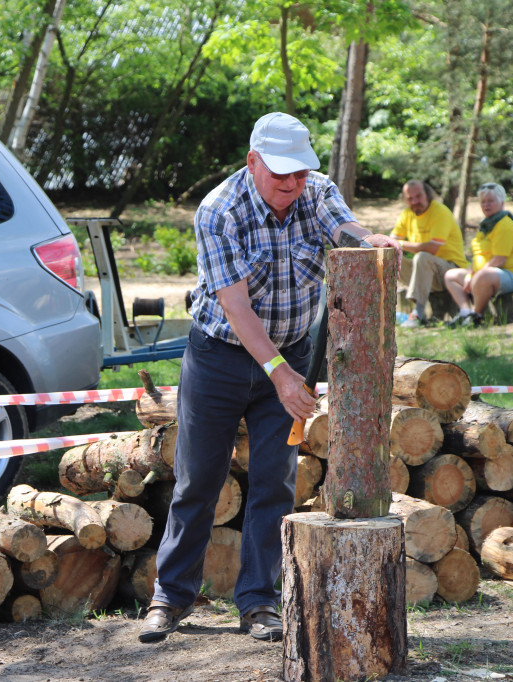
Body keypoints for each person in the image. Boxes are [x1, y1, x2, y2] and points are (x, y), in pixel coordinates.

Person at [138, 112, 401, 644]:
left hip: (293, 353)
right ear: (252, 161)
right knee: (197, 480)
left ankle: (259, 602)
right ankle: (171, 597)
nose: (292, 184)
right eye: (280, 173)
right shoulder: (219, 210)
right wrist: (281, 375)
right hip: (219, 356)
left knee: (273, 483)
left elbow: (341, 227)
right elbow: (234, 306)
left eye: (300, 173)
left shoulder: (316, 191)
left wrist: (369, 238)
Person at [444, 183, 513, 328]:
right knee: (450, 275)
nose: (486, 205)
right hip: (485, 274)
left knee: (482, 276)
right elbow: (478, 259)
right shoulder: (486, 226)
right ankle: (465, 312)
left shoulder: (504, 224)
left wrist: (474, 276)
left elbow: (499, 260)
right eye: (483, 202)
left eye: (490, 201)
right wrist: (469, 274)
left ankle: (477, 315)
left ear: (502, 202)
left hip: (511, 276)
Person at [391, 181, 468, 328]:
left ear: (427, 194)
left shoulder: (440, 212)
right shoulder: (406, 214)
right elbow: (391, 240)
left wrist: (399, 244)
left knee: (422, 257)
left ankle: (418, 312)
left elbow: (432, 249)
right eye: (410, 198)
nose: (415, 201)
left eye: (418, 196)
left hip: (451, 270)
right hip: (426, 272)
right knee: (390, 258)